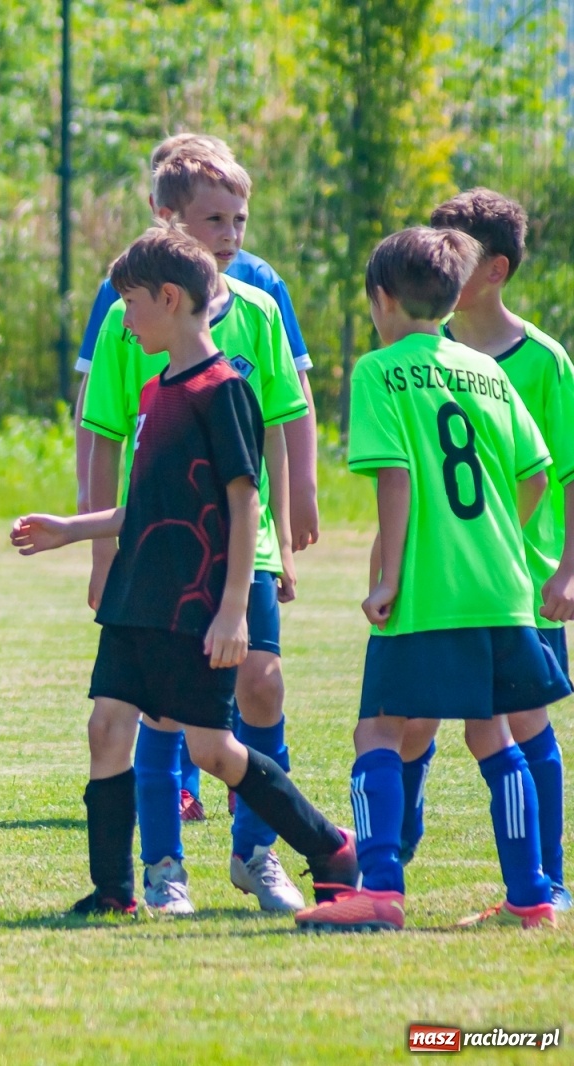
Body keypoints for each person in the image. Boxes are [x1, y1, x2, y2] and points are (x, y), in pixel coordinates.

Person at [12, 223, 356, 917]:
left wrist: (233, 608)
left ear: (169, 298)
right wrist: (71, 530)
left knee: (212, 750)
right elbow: (149, 504)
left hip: (196, 597)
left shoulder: (222, 388)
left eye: (130, 303)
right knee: (108, 727)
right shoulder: (156, 388)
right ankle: (114, 892)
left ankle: (328, 847)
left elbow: (243, 500)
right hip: (142, 591)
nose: (123, 318)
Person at [295, 227, 568, 932]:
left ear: (382, 300)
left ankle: (381, 887)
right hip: (502, 587)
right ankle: (531, 895)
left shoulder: (379, 370)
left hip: (429, 590)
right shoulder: (488, 370)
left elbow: (398, 474)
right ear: (448, 302)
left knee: (377, 730)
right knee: (493, 735)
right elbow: (535, 475)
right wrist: (501, 536)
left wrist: (387, 572)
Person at [78, 148, 312, 913]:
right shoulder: (129, 318)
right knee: (156, 712)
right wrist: (96, 549)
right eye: (215, 219)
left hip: (246, 548)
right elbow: (107, 432)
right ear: (170, 224)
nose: (231, 232)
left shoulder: (259, 309)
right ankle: (161, 869)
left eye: (238, 217)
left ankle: (258, 855)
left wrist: (298, 501)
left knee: (262, 686)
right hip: (161, 556)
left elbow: (281, 418)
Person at [390, 190, 573, 912]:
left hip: (518, 584)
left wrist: (566, 569)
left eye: (453, 248)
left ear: (494, 269)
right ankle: (390, 861)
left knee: (521, 726)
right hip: (437, 581)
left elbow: (560, 471)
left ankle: (546, 886)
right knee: (412, 718)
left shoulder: (543, 361)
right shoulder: (425, 358)